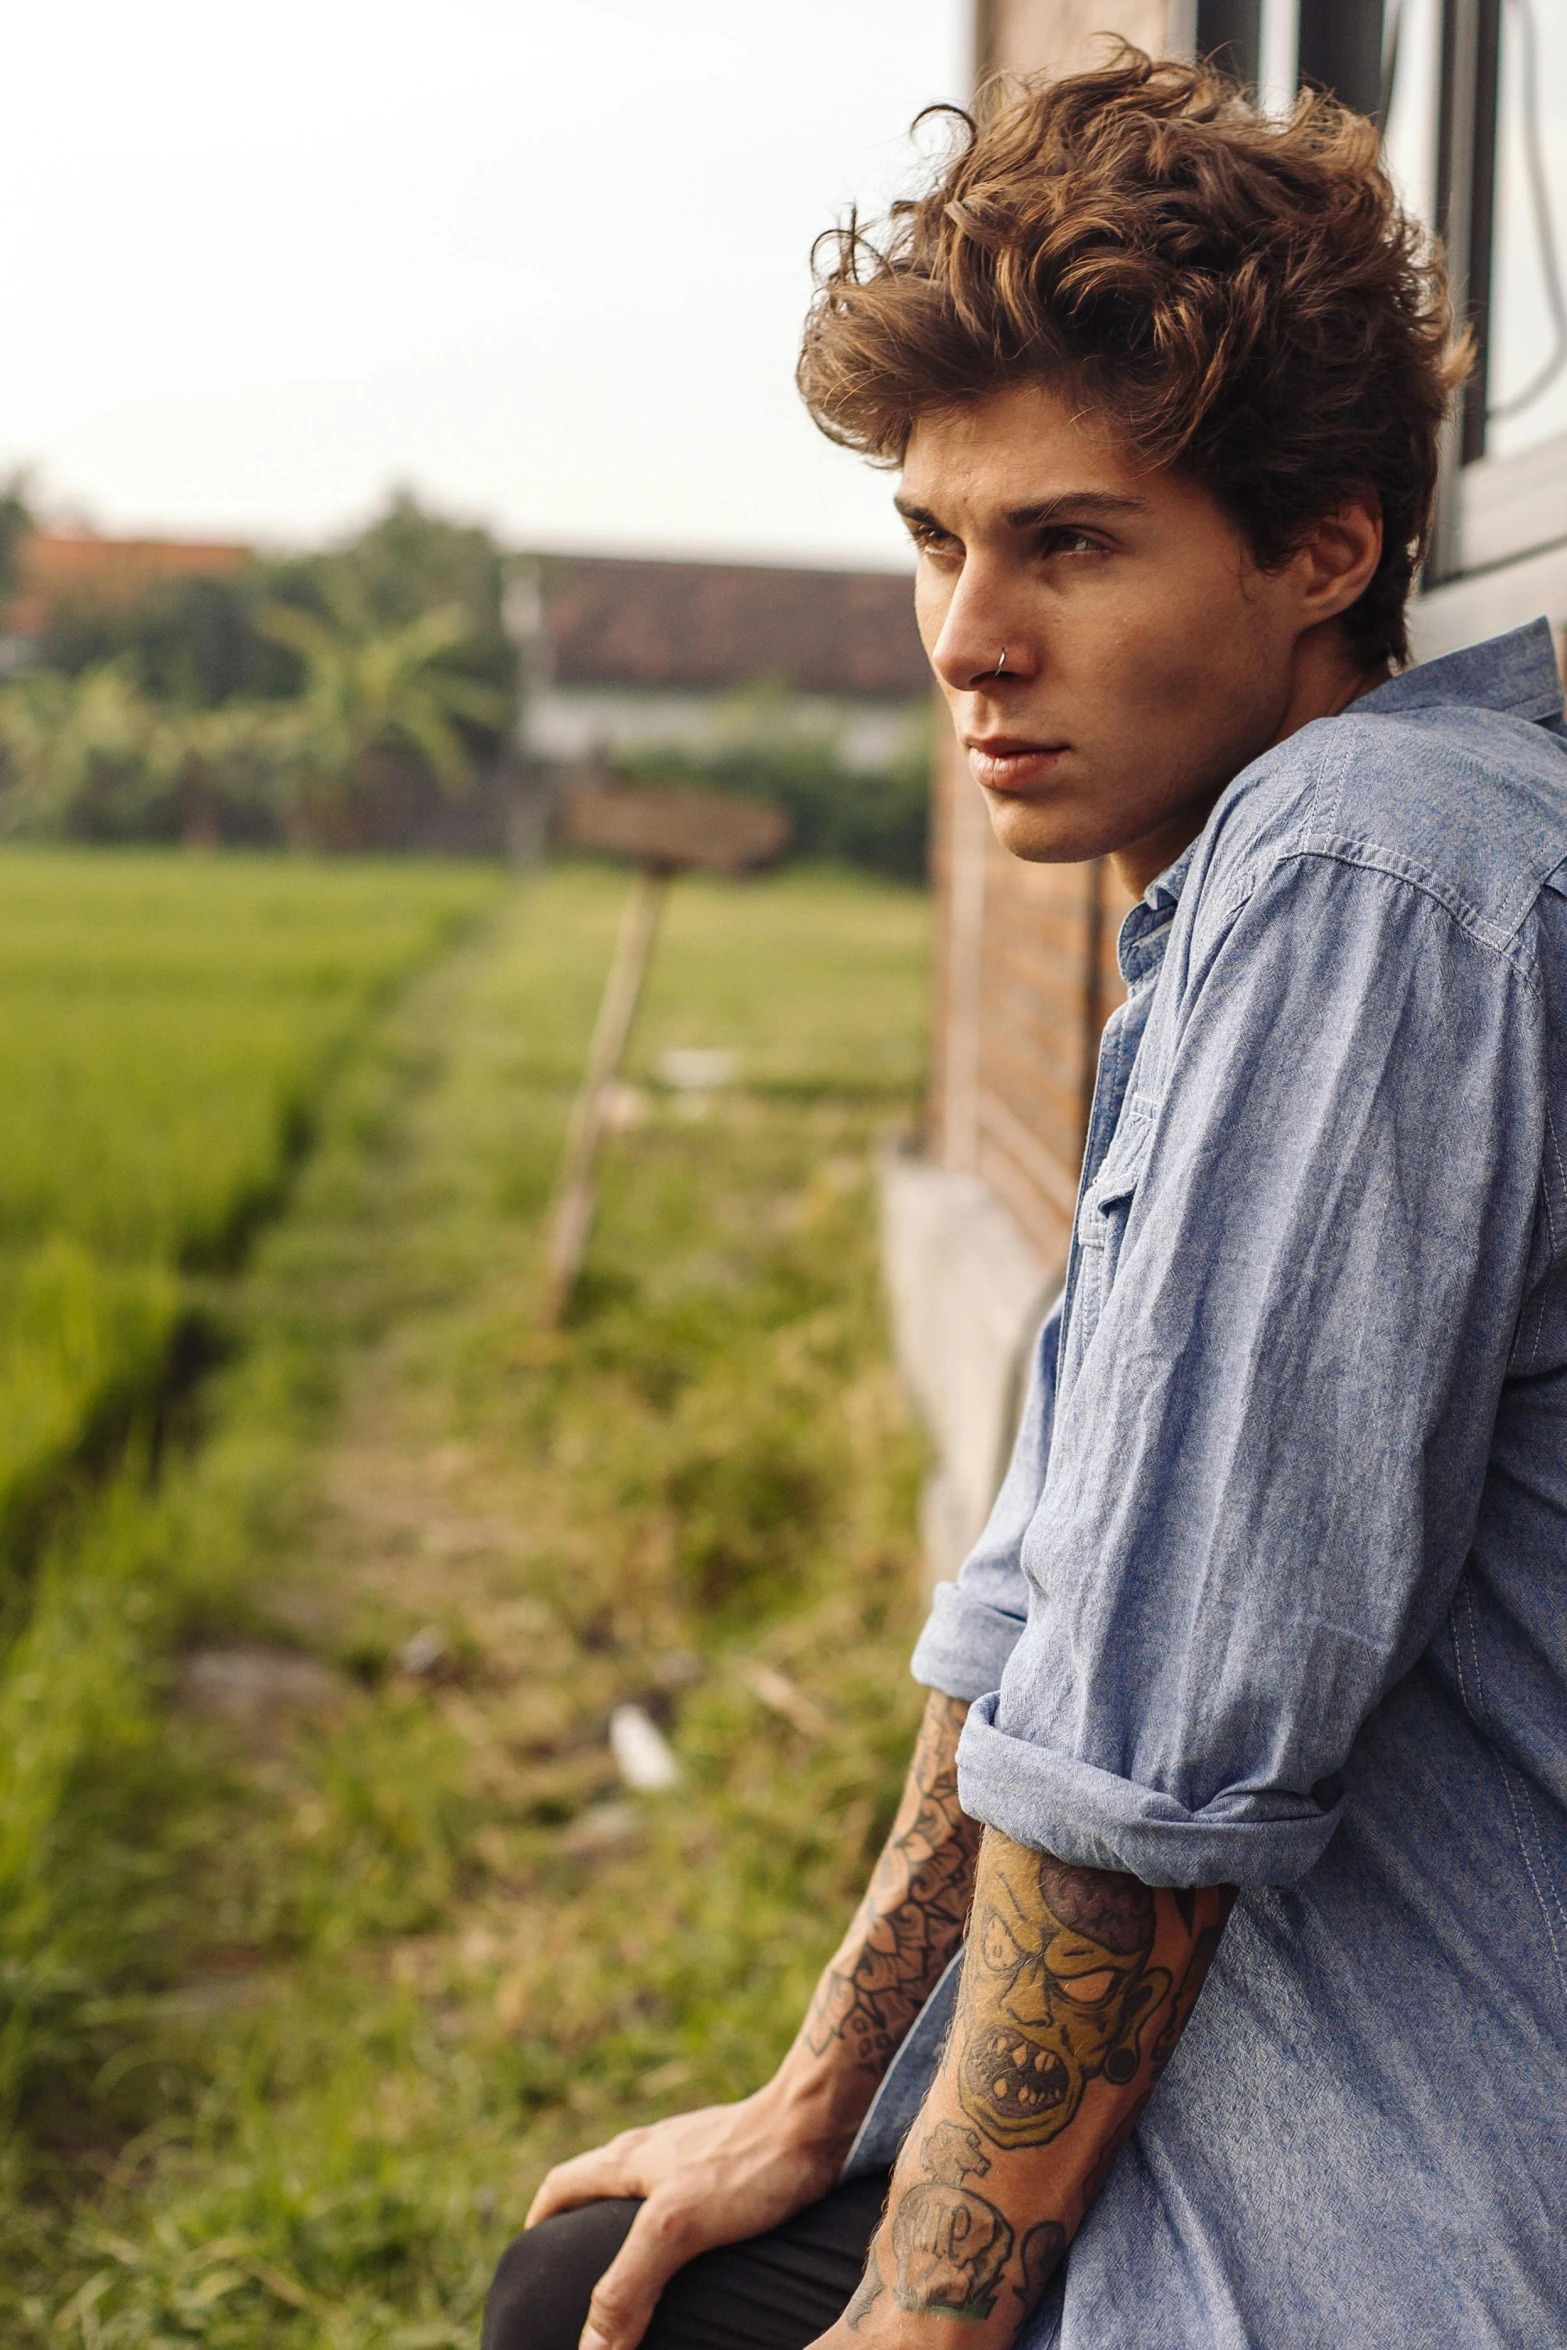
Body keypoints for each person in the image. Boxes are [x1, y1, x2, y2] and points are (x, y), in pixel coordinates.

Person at [485, 47, 1567, 2350]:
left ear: (1327, 551)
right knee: (602, 2271)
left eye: (1067, 543)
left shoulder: (1365, 875)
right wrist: (811, 2095)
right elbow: (1043, 1610)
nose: (970, 637)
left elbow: (1156, 1740)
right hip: (1266, 2105)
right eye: (936, 542)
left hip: (1392, 2211)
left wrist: (924, 2309)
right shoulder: (1270, 884)